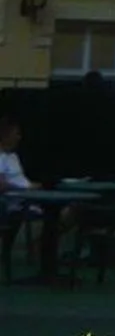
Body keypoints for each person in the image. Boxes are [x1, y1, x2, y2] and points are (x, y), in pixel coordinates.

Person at [0, 118, 41, 277]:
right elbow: (1, 185)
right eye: (16, 134)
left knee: (72, 210)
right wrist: (25, 189)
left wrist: (33, 186)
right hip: (14, 203)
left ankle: (40, 243)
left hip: (30, 197)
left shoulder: (14, 157)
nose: (19, 137)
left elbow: (21, 180)